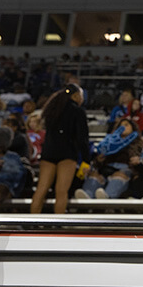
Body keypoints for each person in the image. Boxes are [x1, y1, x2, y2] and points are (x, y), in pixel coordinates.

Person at [31, 84, 90, 214]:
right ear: (75, 95)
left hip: (48, 152)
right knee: (61, 191)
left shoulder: (52, 108)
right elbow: (82, 139)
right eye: (81, 95)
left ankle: (32, 223)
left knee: (41, 189)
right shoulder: (78, 111)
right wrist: (86, 160)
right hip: (67, 153)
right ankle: (58, 225)